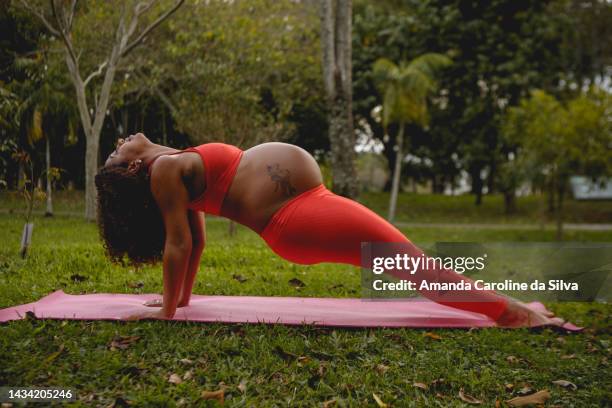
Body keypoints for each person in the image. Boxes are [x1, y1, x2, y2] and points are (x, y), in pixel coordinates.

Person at [95, 133, 565, 328]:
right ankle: (511, 314)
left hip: (302, 210)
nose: (119, 142)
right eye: (116, 153)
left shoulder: (172, 161)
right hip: (294, 217)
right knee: (416, 265)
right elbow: (178, 243)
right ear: (133, 166)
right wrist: (168, 312)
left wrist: (182, 301)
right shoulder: (162, 171)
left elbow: (197, 242)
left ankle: (505, 308)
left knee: (415, 265)